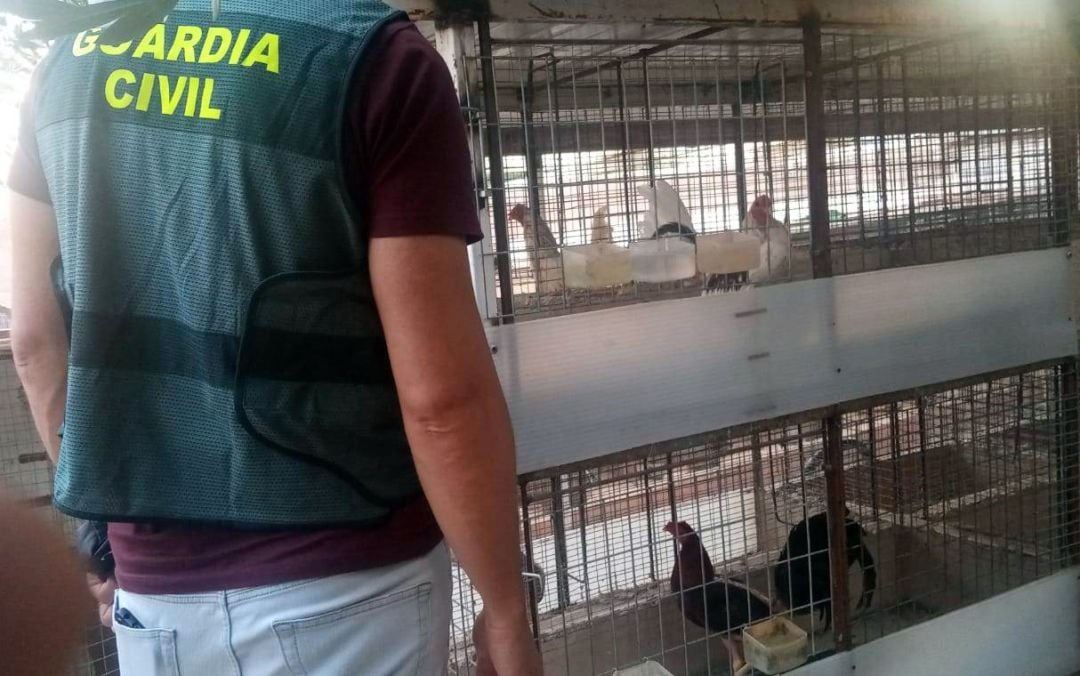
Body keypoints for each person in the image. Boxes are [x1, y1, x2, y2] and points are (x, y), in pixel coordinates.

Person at [7, 1, 542, 674]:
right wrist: (505, 608)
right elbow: (441, 399)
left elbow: (33, 341)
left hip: (155, 604)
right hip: (354, 588)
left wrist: (101, 537)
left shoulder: (63, 66)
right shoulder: (376, 59)